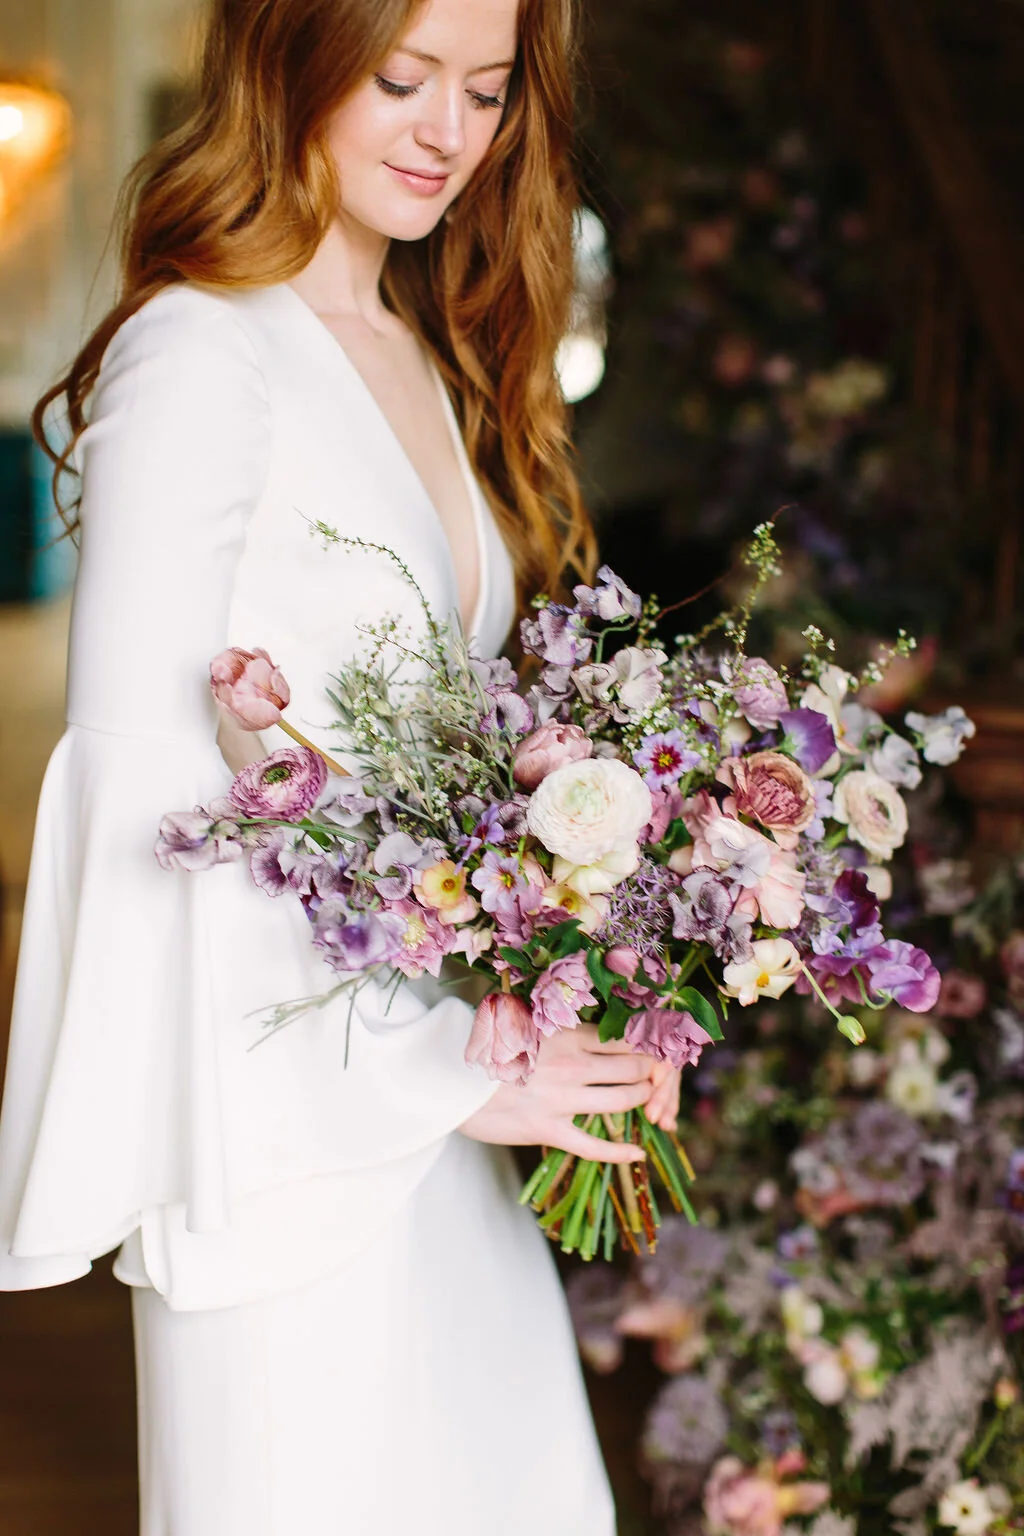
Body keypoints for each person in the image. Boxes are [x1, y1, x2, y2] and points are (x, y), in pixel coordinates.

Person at [0, 0, 681, 1529]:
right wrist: (441, 1068)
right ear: (289, 60)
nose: (450, 131)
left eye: (490, 91)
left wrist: (603, 989)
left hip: (444, 1123)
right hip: (291, 1148)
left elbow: (453, 792)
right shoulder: (200, 351)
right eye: (401, 79)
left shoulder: (423, 348)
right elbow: (146, 803)